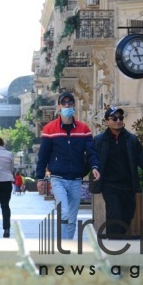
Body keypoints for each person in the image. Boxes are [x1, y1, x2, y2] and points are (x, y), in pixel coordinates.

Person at [91, 106, 143, 239]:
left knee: (128, 214)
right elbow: (91, 160)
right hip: (109, 185)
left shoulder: (131, 140)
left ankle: (115, 238)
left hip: (128, 184)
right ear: (106, 121)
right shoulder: (99, 140)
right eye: (114, 118)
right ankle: (114, 243)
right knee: (114, 212)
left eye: (120, 118)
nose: (118, 121)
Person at [36, 92, 100, 240]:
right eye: (63, 103)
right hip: (58, 178)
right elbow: (43, 155)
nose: (67, 106)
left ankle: (66, 245)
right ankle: (62, 245)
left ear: (74, 105)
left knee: (72, 218)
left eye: (69, 103)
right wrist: (40, 177)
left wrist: (95, 167)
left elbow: (91, 152)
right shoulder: (50, 129)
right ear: (59, 106)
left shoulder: (84, 129)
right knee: (64, 212)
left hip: (76, 180)